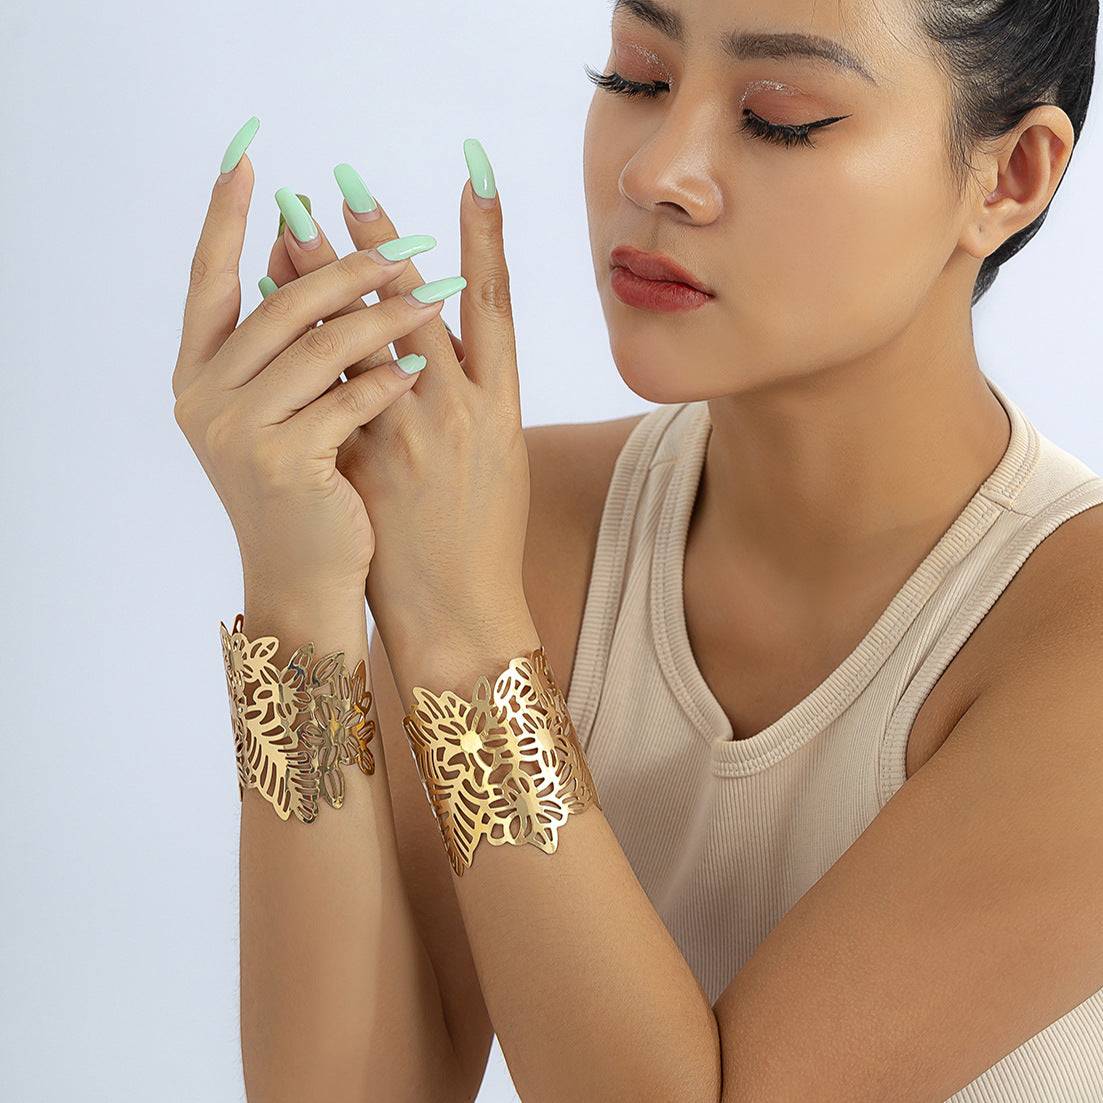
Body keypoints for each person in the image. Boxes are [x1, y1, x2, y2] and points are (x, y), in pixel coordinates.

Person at [174, 0, 1103, 1098]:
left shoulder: (1067, 630)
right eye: (635, 79)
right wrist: (302, 596)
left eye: (778, 115)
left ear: (1009, 176)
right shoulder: (524, 528)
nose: (658, 170)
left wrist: (465, 632)